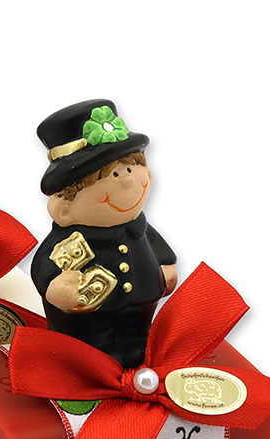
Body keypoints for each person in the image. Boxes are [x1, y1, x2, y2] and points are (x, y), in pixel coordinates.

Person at [31, 100, 177, 368]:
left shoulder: (139, 226)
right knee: (94, 341)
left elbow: (158, 247)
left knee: (140, 334)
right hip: (89, 318)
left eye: (131, 168)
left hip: (142, 300)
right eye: (114, 174)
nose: (128, 179)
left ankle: (139, 351)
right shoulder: (70, 241)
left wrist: (166, 266)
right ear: (65, 207)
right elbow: (45, 267)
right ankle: (94, 361)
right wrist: (58, 287)